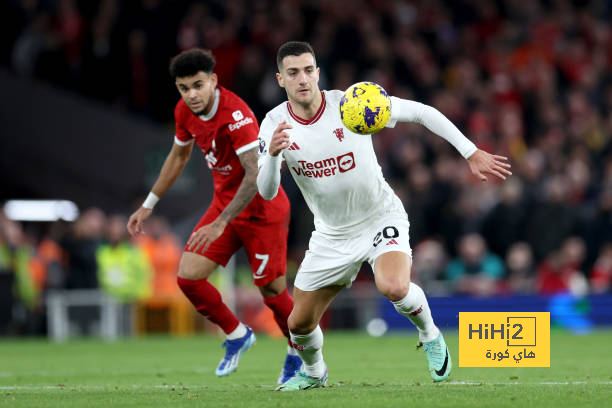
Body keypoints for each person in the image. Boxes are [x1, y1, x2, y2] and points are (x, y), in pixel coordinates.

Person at [257, 41, 511, 391]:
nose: (303, 79)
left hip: (379, 216)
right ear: (280, 79)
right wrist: (271, 155)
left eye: (308, 70)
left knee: (393, 286)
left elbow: (422, 112)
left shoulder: (351, 104)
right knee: (298, 324)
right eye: (293, 73)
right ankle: (315, 373)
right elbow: (267, 191)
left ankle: (430, 335)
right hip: (331, 234)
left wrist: (470, 152)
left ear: (318, 72)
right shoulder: (274, 124)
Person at [127, 48, 300, 383]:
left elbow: (254, 176)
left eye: (197, 85)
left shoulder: (236, 115)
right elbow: (178, 157)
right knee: (188, 277)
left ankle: (299, 352)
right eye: (183, 87)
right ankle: (237, 334)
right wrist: (149, 203)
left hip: (262, 208)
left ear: (214, 81)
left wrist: (221, 223)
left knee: (271, 289)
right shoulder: (184, 112)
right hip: (225, 205)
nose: (191, 94)